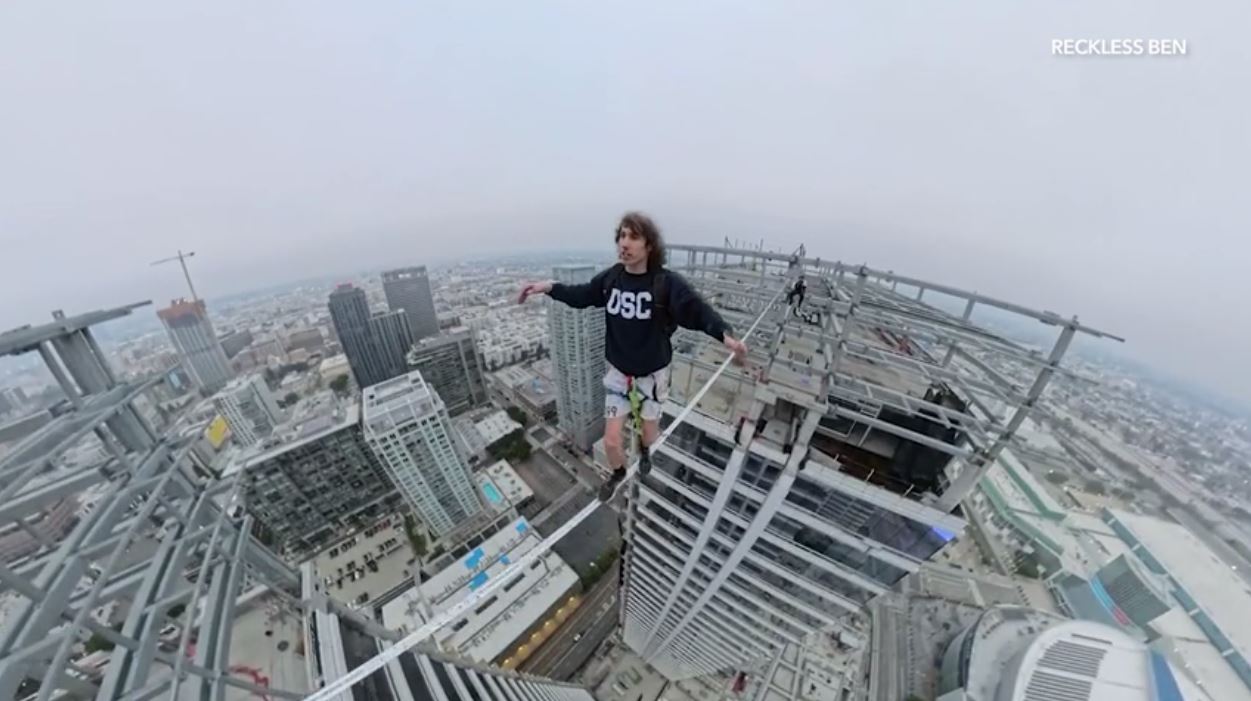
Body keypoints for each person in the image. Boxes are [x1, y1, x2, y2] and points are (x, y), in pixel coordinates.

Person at [518, 212, 748, 501]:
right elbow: (583, 294)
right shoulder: (612, 279)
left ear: (649, 246)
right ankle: (617, 473)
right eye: (621, 236)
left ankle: (647, 449)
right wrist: (548, 287)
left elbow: (697, 311)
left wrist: (725, 336)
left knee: (648, 436)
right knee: (612, 441)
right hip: (619, 374)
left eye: (633, 237)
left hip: (652, 375)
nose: (624, 243)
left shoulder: (665, 284)